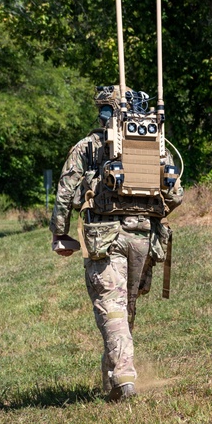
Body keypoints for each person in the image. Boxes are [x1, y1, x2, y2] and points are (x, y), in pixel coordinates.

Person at [50, 87, 183, 402]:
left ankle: (124, 379)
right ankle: (111, 383)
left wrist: (60, 233)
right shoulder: (155, 146)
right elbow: (176, 195)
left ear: (103, 111)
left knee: (112, 310)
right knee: (126, 309)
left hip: (105, 238)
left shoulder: (88, 147)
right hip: (146, 240)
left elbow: (65, 191)